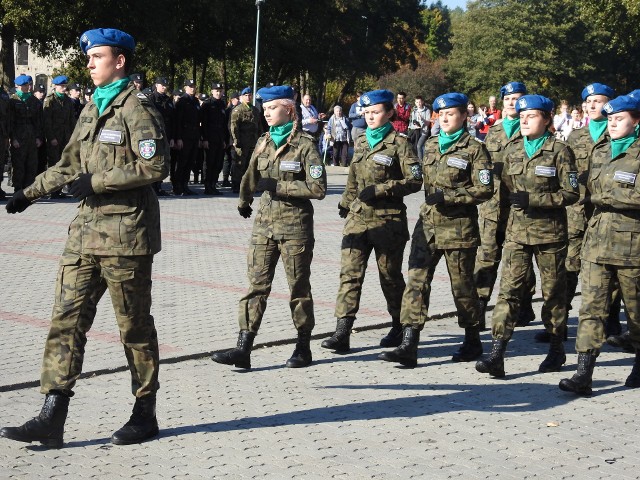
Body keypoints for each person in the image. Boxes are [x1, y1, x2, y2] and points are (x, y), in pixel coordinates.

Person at [0, 27, 169, 448]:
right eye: (89, 57)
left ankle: (144, 413)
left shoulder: (137, 108)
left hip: (126, 237)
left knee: (134, 328)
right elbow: (68, 163)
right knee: (66, 321)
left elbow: (154, 167)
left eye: (98, 57)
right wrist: (28, 193)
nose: (90, 64)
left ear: (121, 60)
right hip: (85, 235)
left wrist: (100, 181)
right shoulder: (93, 107)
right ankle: (51, 416)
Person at [212, 85, 326, 369]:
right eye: (264, 109)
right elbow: (251, 174)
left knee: (298, 288)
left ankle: (302, 347)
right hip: (264, 225)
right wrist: (243, 200)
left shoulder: (304, 144)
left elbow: (318, 187)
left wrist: (280, 186)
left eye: (272, 108)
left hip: (295, 228)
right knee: (256, 286)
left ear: (288, 109)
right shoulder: (264, 140)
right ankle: (243, 348)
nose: (267, 113)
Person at [379, 92, 493, 367]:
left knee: (462, 287)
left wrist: (451, 197)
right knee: (416, 282)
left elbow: (485, 188)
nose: (444, 119)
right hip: (427, 226)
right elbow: (418, 179)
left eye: (451, 114)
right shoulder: (430, 145)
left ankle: (472, 339)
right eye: (441, 114)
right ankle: (409, 342)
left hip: (459, 229)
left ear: (465, 116)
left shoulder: (475, 149)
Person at [476, 95, 579, 378]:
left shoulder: (559, 150)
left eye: (531, 116)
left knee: (553, 293)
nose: (523, 120)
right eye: (521, 116)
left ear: (546, 119)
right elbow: (506, 192)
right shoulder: (512, 150)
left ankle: (557, 347)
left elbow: (572, 193)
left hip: (550, 235)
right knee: (508, 292)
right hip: (517, 234)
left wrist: (535, 198)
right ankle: (497, 353)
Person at [321, 89, 422, 354]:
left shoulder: (400, 142)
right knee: (350, 275)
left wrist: (381, 189)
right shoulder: (363, 141)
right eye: (366, 113)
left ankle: (400, 325)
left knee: (389, 277)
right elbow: (354, 178)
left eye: (375, 112)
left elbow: (414, 180)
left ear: (389, 113)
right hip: (358, 219)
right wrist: (345, 202)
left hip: (387, 222)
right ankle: (342, 332)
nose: (370, 117)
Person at [559, 94, 640, 395]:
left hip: (632, 247)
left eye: (619, 119)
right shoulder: (601, 151)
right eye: (610, 119)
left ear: (636, 121)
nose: (613, 124)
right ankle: (583, 373)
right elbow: (586, 191)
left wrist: (607, 198)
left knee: (635, 311)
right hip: (596, 242)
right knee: (591, 309)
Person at [534, 83, 617, 343]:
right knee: (568, 268)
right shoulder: (575, 137)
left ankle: (610, 322)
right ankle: (558, 323)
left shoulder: (620, 135)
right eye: (588, 102)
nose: (592, 106)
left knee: (608, 270)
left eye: (598, 101)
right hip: (578, 212)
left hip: (608, 215)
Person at [474, 82, 536, 330]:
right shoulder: (494, 132)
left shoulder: (531, 132)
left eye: (517, 98)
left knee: (519, 261)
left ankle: (525, 304)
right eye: (508, 98)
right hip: (492, 208)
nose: (512, 102)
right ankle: (478, 308)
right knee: (486, 257)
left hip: (519, 210)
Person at [8, 74, 43, 191]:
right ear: (18, 86)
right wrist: (13, 138)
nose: (27, 87)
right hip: (18, 136)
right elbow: (10, 121)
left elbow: (38, 121)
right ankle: (17, 188)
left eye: (28, 85)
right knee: (18, 164)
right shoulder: (13, 101)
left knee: (31, 163)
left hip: (31, 136)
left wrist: (39, 137)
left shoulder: (34, 101)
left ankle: (29, 189)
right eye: (24, 86)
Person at [43, 75, 75, 198]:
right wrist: (51, 138)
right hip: (55, 138)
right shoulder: (50, 100)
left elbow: (72, 120)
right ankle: (52, 190)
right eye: (61, 86)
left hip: (66, 137)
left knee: (64, 163)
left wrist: (73, 137)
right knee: (53, 163)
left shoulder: (67, 100)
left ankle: (60, 189)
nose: (63, 88)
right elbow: (47, 122)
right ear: (55, 86)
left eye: (65, 86)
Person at [229, 87, 262, 193]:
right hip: (242, 142)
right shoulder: (238, 110)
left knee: (250, 164)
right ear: (241, 97)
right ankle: (236, 185)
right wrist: (235, 140)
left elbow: (259, 126)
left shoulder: (255, 110)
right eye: (246, 95)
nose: (248, 97)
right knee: (239, 164)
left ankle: (248, 185)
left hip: (253, 141)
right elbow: (234, 126)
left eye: (250, 95)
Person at [200, 82, 228, 195]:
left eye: (220, 91)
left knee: (218, 162)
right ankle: (207, 186)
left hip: (220, 138)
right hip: (210, 137)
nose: (218, 92)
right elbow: (204, 123)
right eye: (216, 90)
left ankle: (213, 184)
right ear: (211, 91)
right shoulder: (207, 104)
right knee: (209, 162)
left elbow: (224, 124)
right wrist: (204, 139)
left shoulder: (222, 104)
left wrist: (225, 140)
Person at [174, 78, 200, 195]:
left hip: (194, 135)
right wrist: (178, 138)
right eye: (190, 86)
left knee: (190, 161)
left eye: (194, 86)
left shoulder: (195, 101)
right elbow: (178, 121)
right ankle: (177, 186)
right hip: (184, 136)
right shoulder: (182, 101)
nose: (192, 88)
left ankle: (185, 185)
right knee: (182, 162)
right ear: (185, 88)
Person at [150, 76, 175, 196]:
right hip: (155, 134)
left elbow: (172, 120)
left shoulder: (168, 100)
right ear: (156, 85)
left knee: (163, 160)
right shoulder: (151, 98)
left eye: (165, 85)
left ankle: (159, 186)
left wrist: (172, 137)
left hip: (166, 134)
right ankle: (153, 187)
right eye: (162, 85)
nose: (164, 87)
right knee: (154, 160)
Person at [0, 86, 9, 200]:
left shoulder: (3, 94)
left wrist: (8, 135)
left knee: (1, 162)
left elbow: (8, 116)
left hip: (2, 133)